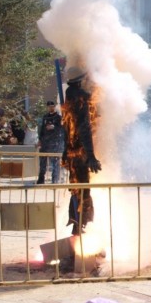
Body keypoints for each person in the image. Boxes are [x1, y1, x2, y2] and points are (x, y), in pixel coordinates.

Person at [62, 67, 102, 235]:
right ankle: (80, 224)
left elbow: (66, 129)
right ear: (81, 81)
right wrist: (91, 156)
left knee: (76, 188)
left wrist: (65, 150)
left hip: (72, 154)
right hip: (80, 154)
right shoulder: (80, 99)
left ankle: (76, 224)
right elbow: (83, 128)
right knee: (83, 190)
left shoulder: (69, 96)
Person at [37, 100, 65, 184]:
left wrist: (54, 127)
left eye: (52, 106)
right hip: (45, 142)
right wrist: (40, 140)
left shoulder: (58, 117)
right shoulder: (45, 117)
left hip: (54, 143)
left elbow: (61, 129)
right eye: (49, 106)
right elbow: (42, 130)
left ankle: (55, 180)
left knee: (55, 162)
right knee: (42, 162)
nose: (50, 108)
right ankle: (41, 178)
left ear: (54, 106)